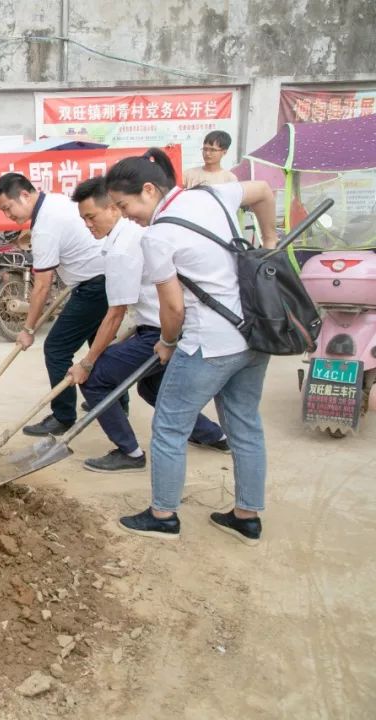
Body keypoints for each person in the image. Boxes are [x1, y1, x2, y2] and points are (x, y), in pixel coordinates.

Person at [105, 147, 278, 544]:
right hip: (253, 333)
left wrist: (166, 343)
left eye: (123, 204)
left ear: (149, 190)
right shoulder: (212, 195)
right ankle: (246, 517)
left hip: (207, 343)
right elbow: (265, 191)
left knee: (168, 425)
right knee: (245, 424)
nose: (124, 213)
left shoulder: (158, 236)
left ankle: (163, 515)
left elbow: (173, 307)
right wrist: (270, 243)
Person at [66, 176, 228, 474]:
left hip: (162, 331)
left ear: (114, 209)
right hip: (167, 325)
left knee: (95, 380)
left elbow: (115, 313)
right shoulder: (132, 233)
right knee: (152, 388)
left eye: (92, 216)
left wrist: (87, 363)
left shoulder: (121, 249)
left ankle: (129, 452)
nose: (88, 224)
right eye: (83, 219)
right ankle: (215, 435)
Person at [0, 172, 108, 436]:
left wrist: (28, 329)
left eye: (8, 208)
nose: (8, 215)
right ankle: (113, 402)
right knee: (99, 345)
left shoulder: (44, 226)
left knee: (56, 349)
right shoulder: (55, 202)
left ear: (24, 195)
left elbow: (42, 285)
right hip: (102, 278)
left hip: (94, 286)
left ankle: (63, 416)